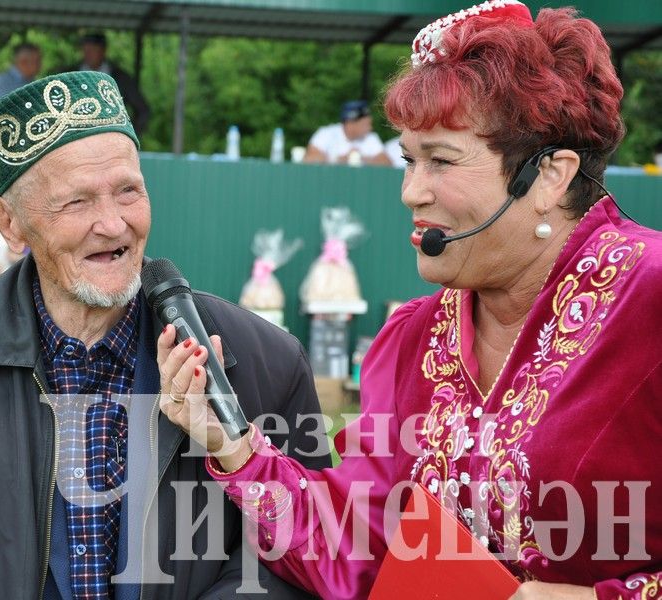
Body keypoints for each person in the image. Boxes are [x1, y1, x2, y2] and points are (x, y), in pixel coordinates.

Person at [159, 2, 662, 599]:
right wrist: (232, 443)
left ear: (551, 175)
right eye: (408, 159)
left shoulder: (649, 299)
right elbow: (357, 549)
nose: (410, 191)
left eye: (440, 161)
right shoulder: (413, 340)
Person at [0, 71, 329, 599]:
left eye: (128, 192)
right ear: (10, 224)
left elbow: (295, 563)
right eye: (77, 202)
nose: (114, 224)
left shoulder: (264, 362)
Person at [64, 32, 152, 135]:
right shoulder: (69, 75)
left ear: (103, 51)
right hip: (75, 137)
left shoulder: (121, 78)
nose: (88, 54)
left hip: (111, 138)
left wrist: (129, 134)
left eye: (93, 50)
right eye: (85, 50)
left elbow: (143, 110)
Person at [303, 100, 391, 166]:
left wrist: (361, 159)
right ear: (351, 124)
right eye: (365, 124)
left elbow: (387, 163)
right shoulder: (326, 133)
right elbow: (309, 159)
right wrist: (339, 160)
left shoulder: (371, 137)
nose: (370, 127)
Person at [0, 42, 42, 115]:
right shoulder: (5, 80)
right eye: (37, 61)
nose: (40, 65)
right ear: (23, 62)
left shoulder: (30, 80)